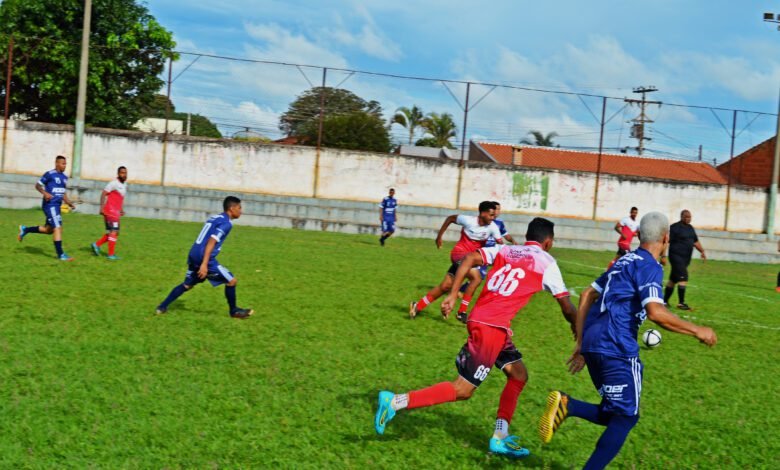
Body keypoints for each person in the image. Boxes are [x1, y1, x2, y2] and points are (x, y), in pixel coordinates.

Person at [376, 217, 577, 458]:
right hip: (490, 327)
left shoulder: (506, 250)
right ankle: (395, 402)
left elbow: (470, 258)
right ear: (549, 242)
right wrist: (580, 334)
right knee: (463, 389)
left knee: (518, 375)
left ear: (527, 236)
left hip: (491, 324)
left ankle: (500, 436)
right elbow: (567, 308)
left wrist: (453, 294)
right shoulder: (547, 262)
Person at [538, 212, 717, 470]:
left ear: (640, 235)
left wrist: (581, 344)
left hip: (594, 342)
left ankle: (568, 405)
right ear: (665, 238)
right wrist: (697, 330)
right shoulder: (650, 266)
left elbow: (587, 294)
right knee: (626, 418)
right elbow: (656, 312)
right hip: (617, 346)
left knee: (615, 411)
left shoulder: (623, 261)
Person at [155, 196, 254, 319]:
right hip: (204, 256)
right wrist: (204, 264)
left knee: (188, 284)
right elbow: (211, 242)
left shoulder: (215, 218)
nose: (241, 211)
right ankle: (234, 311)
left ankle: (162, 307)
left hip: (194, 253)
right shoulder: (226, 223)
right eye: (239, 208)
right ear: (231, 208)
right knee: (231, 281)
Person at [409, 201, 503, 320]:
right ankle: (461, 312)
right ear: (483, 213)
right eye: (491, 215)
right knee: (476, 278)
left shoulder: (492, 227)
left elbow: (501, 245)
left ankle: (417, 306)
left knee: (445, 286)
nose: (493, 217)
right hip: (458, 254)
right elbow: (450, 218)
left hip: (471, 258)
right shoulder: (468, 220)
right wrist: (439, 236)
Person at [457, 201, 518, 319]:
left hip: (491, 253)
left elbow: (504, 235)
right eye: (496, 209)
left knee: (478, 277)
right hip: (481, 252)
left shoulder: (499, 223)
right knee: (476, 276)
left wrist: (512, 241)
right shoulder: (484, 221)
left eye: (499, 209)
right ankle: (459, 295)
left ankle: (460, 292)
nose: (498, 212)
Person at [17, 155, 77, 261]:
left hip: (57, 206)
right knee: (57, 227)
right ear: (57, 163)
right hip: (50, 205)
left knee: (49, 230)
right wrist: (45, 193)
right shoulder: (49, 174)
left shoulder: (64, 177)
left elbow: (62, 192)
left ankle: (25, 229)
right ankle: (61, 255)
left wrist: (68, 202)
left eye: (65, 164)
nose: (65, 166)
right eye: (63, 163)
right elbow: (37, 185)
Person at [662, 210, 706, 310]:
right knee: (683, 277)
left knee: (673, 279)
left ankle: (664, 301)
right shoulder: (675, 227)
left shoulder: (690, 228)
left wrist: (702, 251)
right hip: (676, 257)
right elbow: (666, 241)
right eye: (686, 217)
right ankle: (681, 303)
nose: (688, 219)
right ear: (681, 216)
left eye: (689, 217)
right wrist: (663, 255)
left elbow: (695, 241)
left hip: (685, 259)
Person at [91, 166, 128, 260]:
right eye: (122, 173)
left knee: (114, 232)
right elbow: (103, 194)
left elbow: (119, 199)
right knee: (114, 232)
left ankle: (96, 244)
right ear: (118, 174)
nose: (124, 175)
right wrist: (101, 207)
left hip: (116, 212)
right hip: (110, 211)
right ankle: (111, 255)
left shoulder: (124, 185)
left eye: (125, 173)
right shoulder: (113, 183)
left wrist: (121, 209)